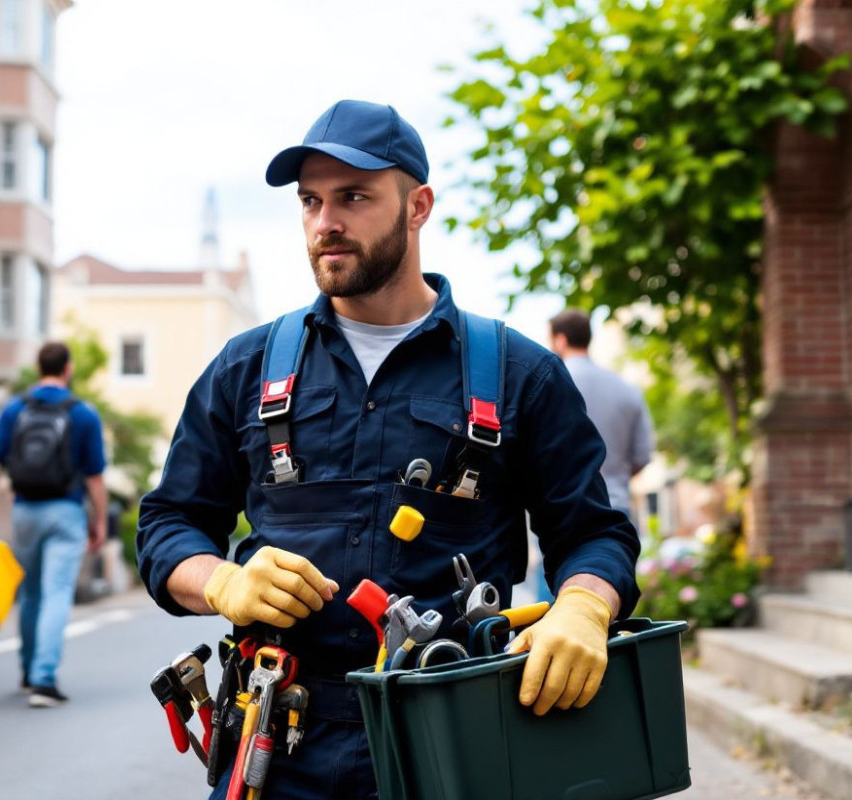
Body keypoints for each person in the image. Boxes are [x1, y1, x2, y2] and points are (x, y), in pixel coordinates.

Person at [136, 99, 641, 798]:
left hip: (458, 733)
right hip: (279, 746)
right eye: (310, 201)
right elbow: (167, 525)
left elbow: (594, 533)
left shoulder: (519, 374)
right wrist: (220, 580)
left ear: (418, 206)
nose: (325, 222)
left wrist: (584, 607)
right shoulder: (245, 368)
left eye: (354, 197)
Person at [0, 342, 108, 708]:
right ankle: (44, 681)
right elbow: (95, 478)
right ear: (68, 368)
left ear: (38, 367)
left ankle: (28, 670)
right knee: (57, 592)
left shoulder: (16, 409)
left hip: (25, 511)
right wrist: (100, 522)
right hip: (65, 512)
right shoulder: (83, 415)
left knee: (29, 593)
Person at [531, 309, 657, 600]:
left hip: (559, 510)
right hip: (617, 510)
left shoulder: (547, 383)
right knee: (608, 609)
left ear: (560, 340)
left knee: (549, 619)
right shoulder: (627, 390)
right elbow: (641, 457)